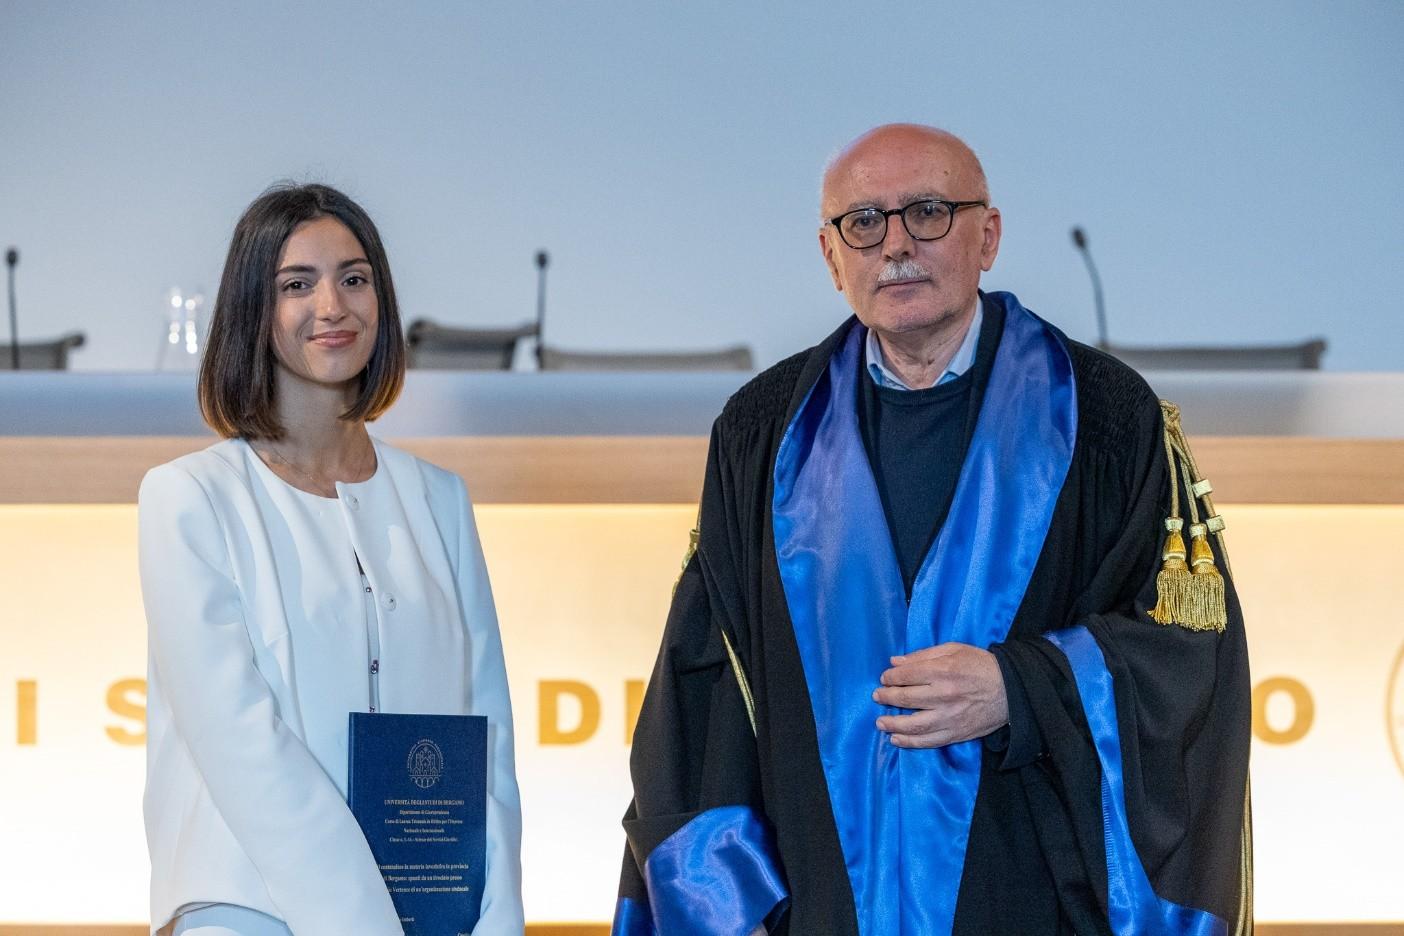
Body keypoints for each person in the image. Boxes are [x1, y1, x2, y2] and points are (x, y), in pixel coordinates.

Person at [614, 125, 1252, 935]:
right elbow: (702, 693)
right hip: (821, 904)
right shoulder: (762, 435)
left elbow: (1188, 661)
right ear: (830, 255)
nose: (895, 246)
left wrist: (1022, 686)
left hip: (1028, 899)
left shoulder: (1105, 418)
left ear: (988, 236)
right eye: (863, 223)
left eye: (927, 212)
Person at [139, 184, 524, 936]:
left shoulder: (440, 499)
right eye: (296, 284)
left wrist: (496, 916)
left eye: (354, 278)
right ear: (253, 309)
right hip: (248, 910)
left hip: (432, 912)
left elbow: (488, 737)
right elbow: (240, 742)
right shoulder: (189, 498)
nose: (332, 305)